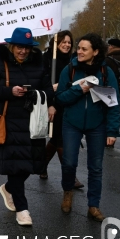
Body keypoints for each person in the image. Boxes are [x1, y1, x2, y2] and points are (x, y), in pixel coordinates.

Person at [0, 27, 54, 226]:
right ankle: (22, 209)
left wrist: (42, 98)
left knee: (30, 164)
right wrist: (9, 91)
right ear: (12, 46)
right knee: (14, 165)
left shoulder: (38, 64)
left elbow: (48, 89)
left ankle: (9, 188)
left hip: (33, 122)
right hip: (7, 121)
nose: (23, 51)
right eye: (20, 47)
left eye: (27, 48)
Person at [56, 33, 120, 221]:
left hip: (97, 126)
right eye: (79, 48)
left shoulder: (105, 72)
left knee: (96, 167)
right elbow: (60, 98)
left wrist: (112, 131)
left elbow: (113, 103)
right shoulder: (70, 70)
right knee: (68, 162)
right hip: (71, 123)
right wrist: (80, 89)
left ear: (96, 51)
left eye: (84, 49)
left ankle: (93, 205)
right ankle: (67, 192)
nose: (79, 52)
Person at [40, 31, 83, 188]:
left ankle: (41, 165)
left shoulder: (74, 60)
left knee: (55, 138)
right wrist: (50, 103)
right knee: (61, 139)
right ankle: (70, 177)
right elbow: (42, 82)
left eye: (69, 42)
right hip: (53, 104)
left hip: (68, 103)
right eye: (63, 42)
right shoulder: (47, 60)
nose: (66, 45)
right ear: (56, 44)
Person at [105, 37, 120, 146]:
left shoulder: (108, 61)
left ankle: (109, 141)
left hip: (111, 94)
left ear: (111, 47)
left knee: (111, 117)